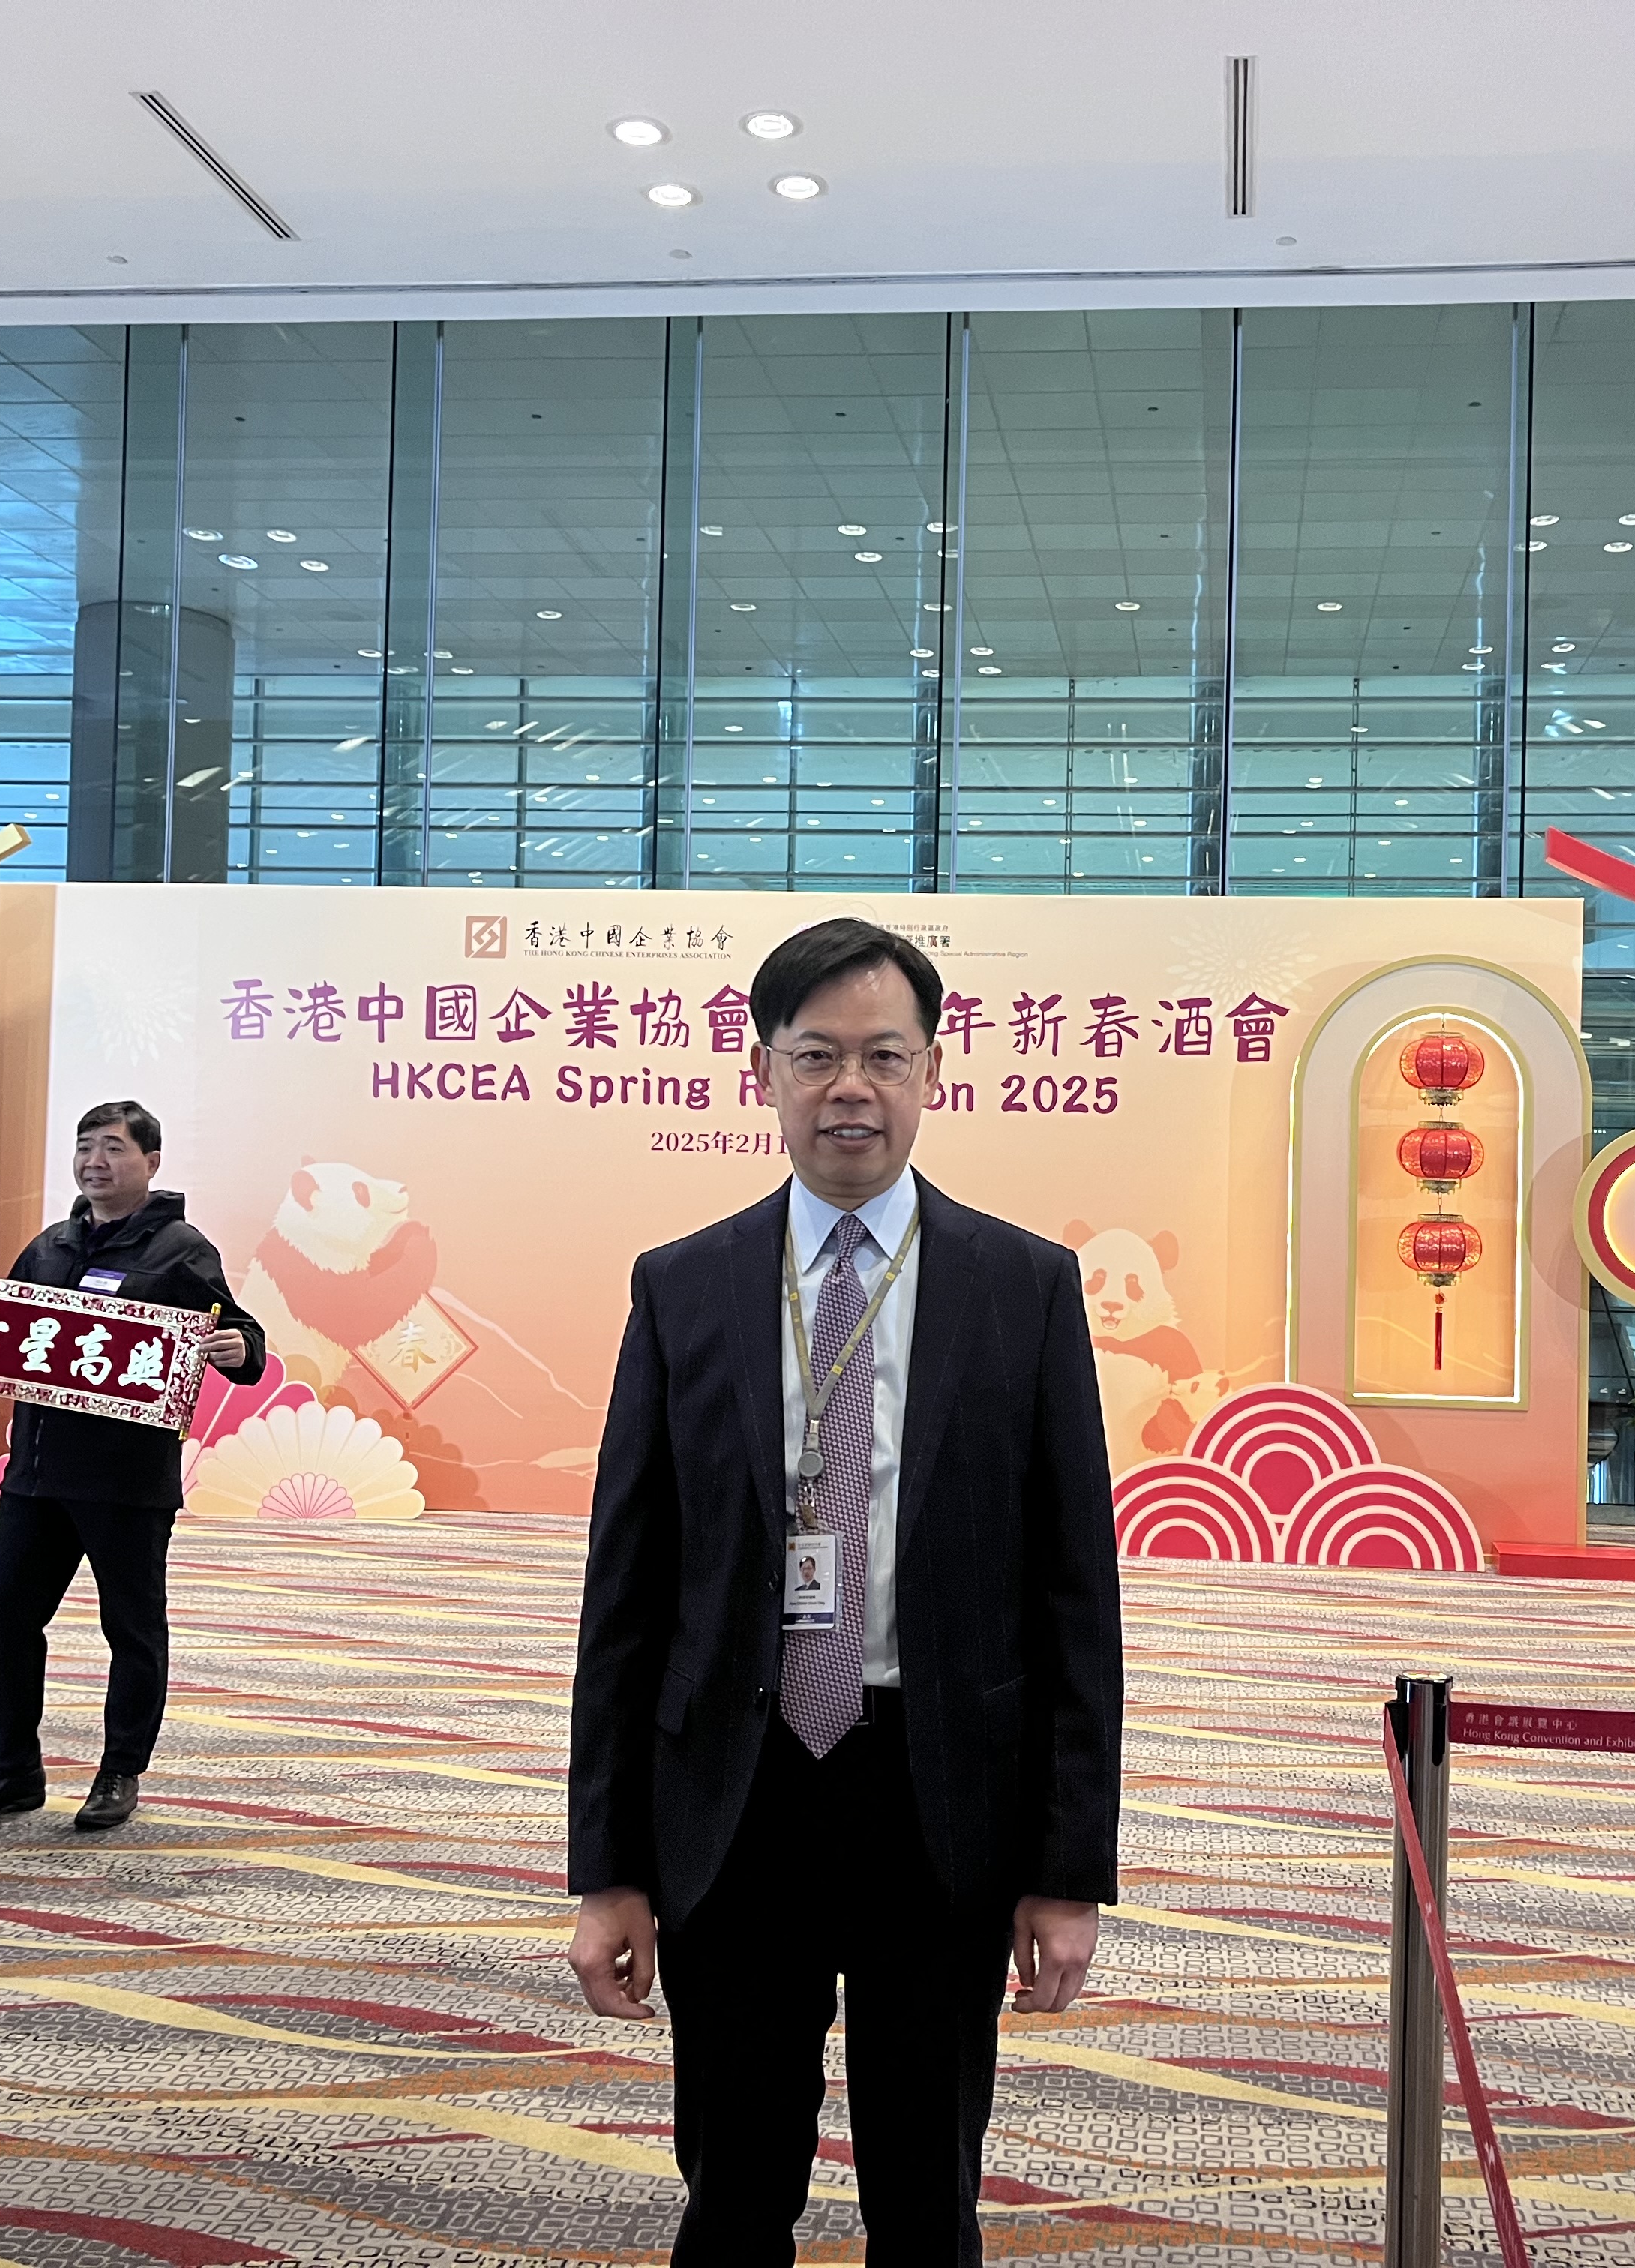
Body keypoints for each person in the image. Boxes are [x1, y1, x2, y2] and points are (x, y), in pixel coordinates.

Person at [567, 917, 1122, 2267]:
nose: (850, 1088)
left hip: (938, 1795)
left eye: (884, 1055)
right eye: (816, 1055)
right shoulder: (683, 1284)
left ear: (934, 1070)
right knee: (735, 2183)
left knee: (926, 2193)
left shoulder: (1024, 1285)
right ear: (763, 1070)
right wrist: (609, 1869)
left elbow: (1074, 1598)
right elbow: (627, 1595)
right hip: (735, 1791)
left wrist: (1067, 1872)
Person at [0, 1100, 265, 1833]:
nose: (94, 1161)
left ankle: (119, 1772)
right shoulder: (51, 1245)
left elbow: (238, 1333)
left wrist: (240, 1349)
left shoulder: (179, 1250)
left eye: (113, 1147)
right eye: (85, 1147)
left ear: (151, 1162)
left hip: (125, 1483)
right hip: (37, 1475)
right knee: (6, 1617)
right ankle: (8, 1772)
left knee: (131, 1629)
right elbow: (1, 1324)